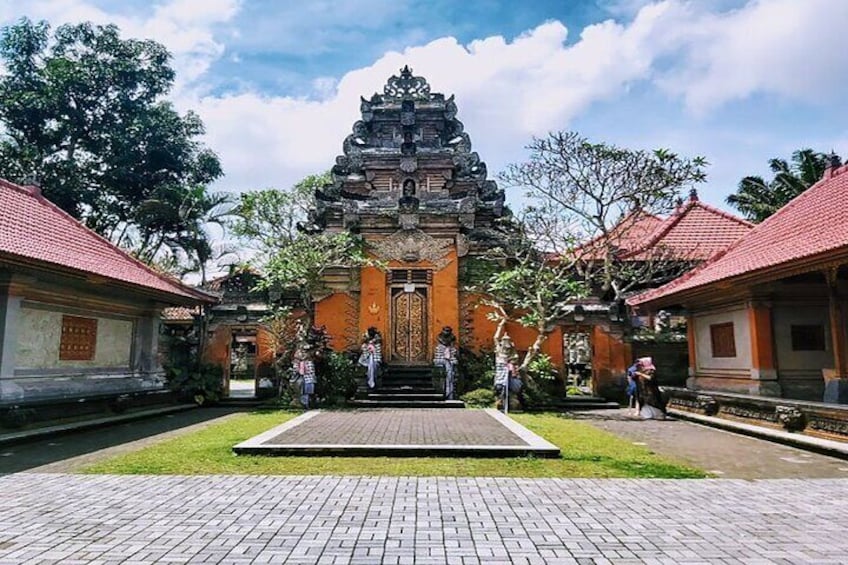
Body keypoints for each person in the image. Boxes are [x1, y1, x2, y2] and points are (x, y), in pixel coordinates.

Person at [434, 326, 458, 399]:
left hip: (449, 360)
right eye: (445, 331)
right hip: (442, 359)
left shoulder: (452, 338)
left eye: (448, 331)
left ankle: (449, 394)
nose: (446, 332)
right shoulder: (439, 337)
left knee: (450, 376)